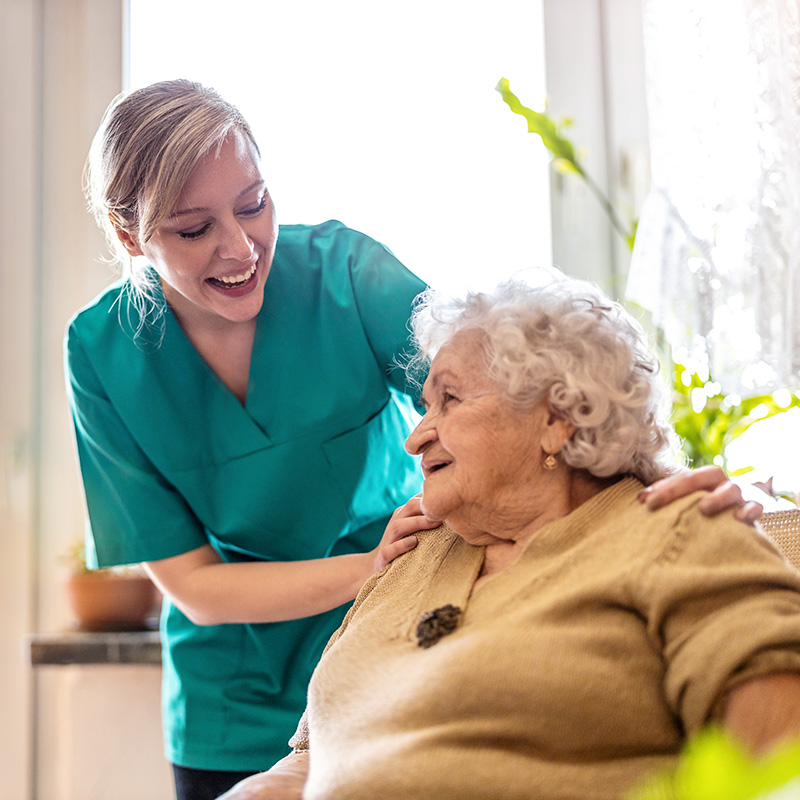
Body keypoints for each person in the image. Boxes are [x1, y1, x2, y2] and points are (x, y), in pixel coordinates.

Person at [65, 80, 758, 800]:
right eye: (192, 228)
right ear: (129, 235)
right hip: (236, 694)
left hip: (409, 644)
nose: (240, 247)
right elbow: (195, 587)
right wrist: (371, 571)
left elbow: (517, 401)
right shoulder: (101, 353)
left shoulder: (344, 274)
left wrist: (666, 482)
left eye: (253, 203)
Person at [219, 274, 800, 800]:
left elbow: (779, 760)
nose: (415, 437)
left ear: (556, 417)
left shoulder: (677, 534)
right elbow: (311, 762)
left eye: (449, 399)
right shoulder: (411, 553)